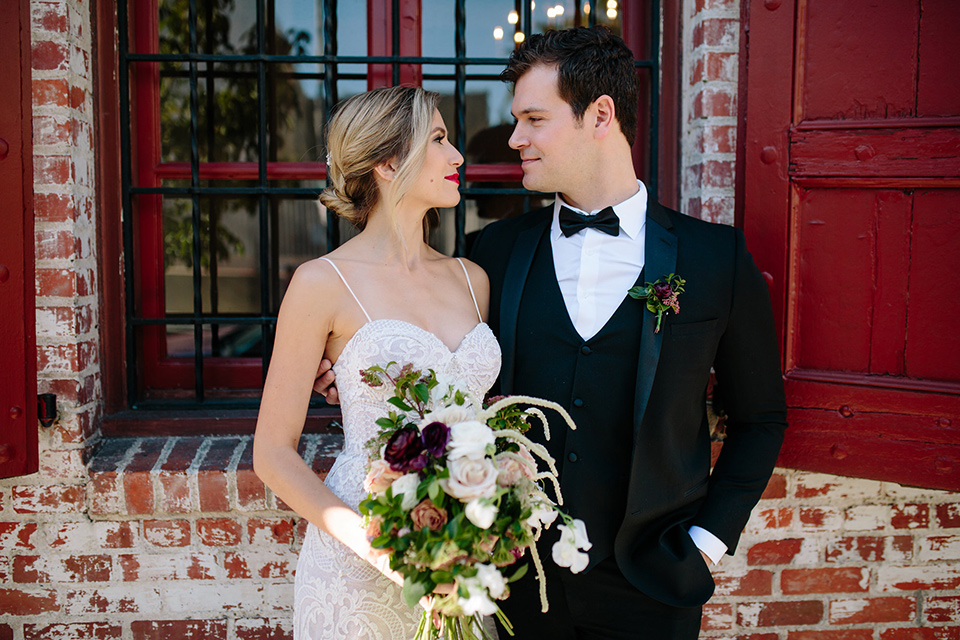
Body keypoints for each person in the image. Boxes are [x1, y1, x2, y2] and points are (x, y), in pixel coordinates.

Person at [467, 26, 788, 639]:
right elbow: (442, 368)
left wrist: (706, 543)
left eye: (534, 118)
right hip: (517, 583)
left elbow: (760, 419)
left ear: (601, 115)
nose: (515, 139)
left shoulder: (714, 258)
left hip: (653, 585)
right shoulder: (495, 252)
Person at [253, 85, 501, 640]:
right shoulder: (321, 283)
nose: (456, 155)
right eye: (438, 138)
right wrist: (383, 548)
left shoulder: (472, 279)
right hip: (358, 561)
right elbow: (271, 453)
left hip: (458, 554)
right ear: (389, 163)